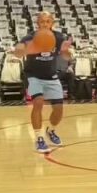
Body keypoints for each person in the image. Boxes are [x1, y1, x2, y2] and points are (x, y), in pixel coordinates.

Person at [16, 11, 72, 154]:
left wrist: (66, 51)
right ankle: (39, 138)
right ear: (37, 23)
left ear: (52, 23)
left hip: (51, 76)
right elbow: (18, 51)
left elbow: (66, 57)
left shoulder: (59, 37)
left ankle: (51, 131)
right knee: (38, 102)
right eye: (42, 21)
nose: (45, 24)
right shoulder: (30, 37)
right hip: (33, 75)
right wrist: (21, 50)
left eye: (48, 21)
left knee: (59, 108)